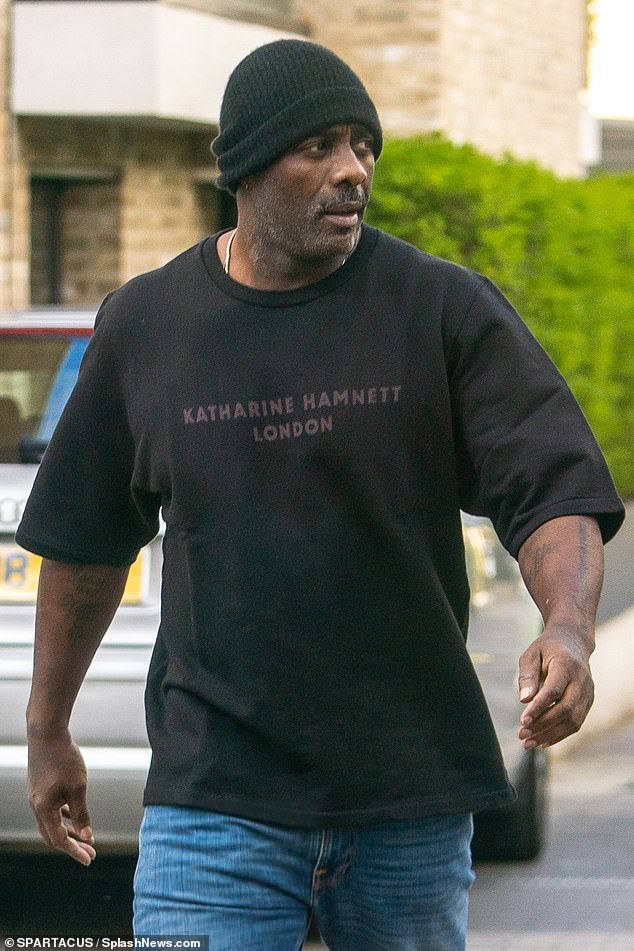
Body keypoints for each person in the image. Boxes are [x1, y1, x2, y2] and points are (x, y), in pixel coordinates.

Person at [18, 39, 625, 951]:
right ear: (246, 165)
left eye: (363, 145)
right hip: (215, 798)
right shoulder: (147, 325)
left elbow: (552, 487)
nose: (354, 170)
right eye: (319, 146)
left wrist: (569, 627)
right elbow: (84, 542)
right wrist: (47, 726)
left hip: (408, 799)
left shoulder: (441, 308)